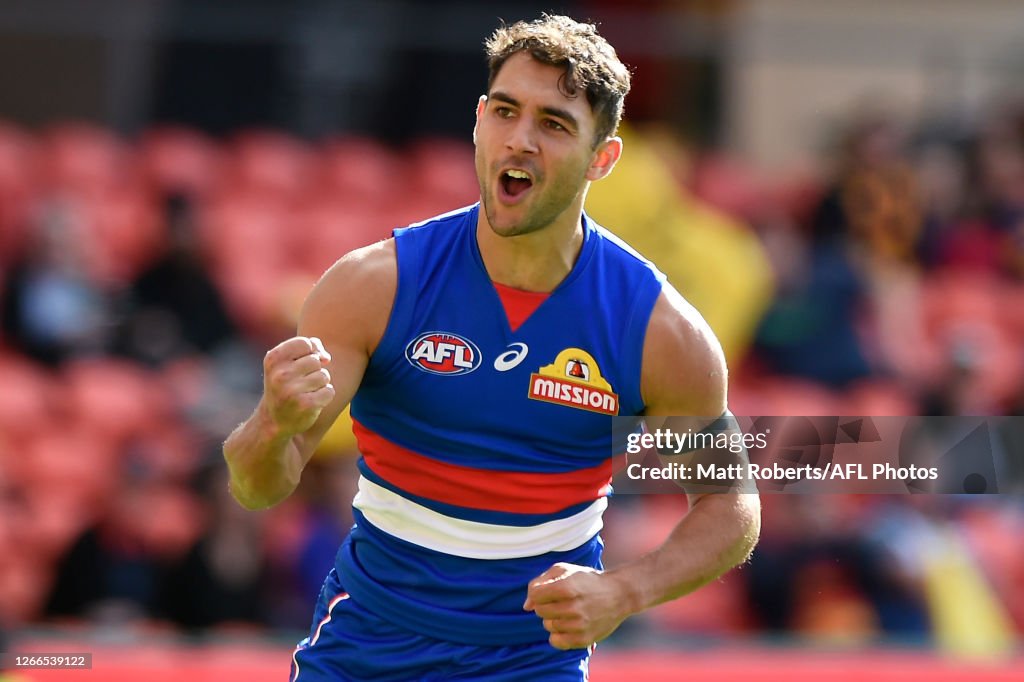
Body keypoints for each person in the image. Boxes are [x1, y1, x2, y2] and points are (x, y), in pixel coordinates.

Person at [224, 14, 761, 681]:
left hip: (530, 662)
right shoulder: (375, 285)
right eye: (505, 112)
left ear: (603, 157)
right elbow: (256, 487)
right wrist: (271, 422)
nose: (521, 140)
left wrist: (625, 592)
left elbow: (730, 507)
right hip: (363, 651)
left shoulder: (658, 330)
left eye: (554, 124)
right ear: (479, 121)